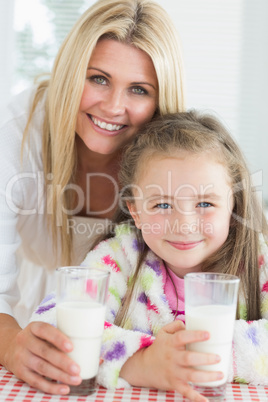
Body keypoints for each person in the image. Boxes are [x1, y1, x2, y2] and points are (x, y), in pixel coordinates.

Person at [0, 0, 185, 395]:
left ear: (160, 100)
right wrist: (9, 342)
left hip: (133, 326)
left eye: (139, 89)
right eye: (98, 78)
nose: (113, 106)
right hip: (24, 311)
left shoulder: (174, 158)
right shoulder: (16, 132)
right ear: (70, 73)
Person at [32, 111, 268, 401]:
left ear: (233, 207)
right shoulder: (120, 257)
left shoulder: (258, 261)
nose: (184, 225)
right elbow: (51, 325)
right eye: (162, 205)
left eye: (205, 203)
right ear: (136, 211)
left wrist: (193, 358)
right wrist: (142, 363)